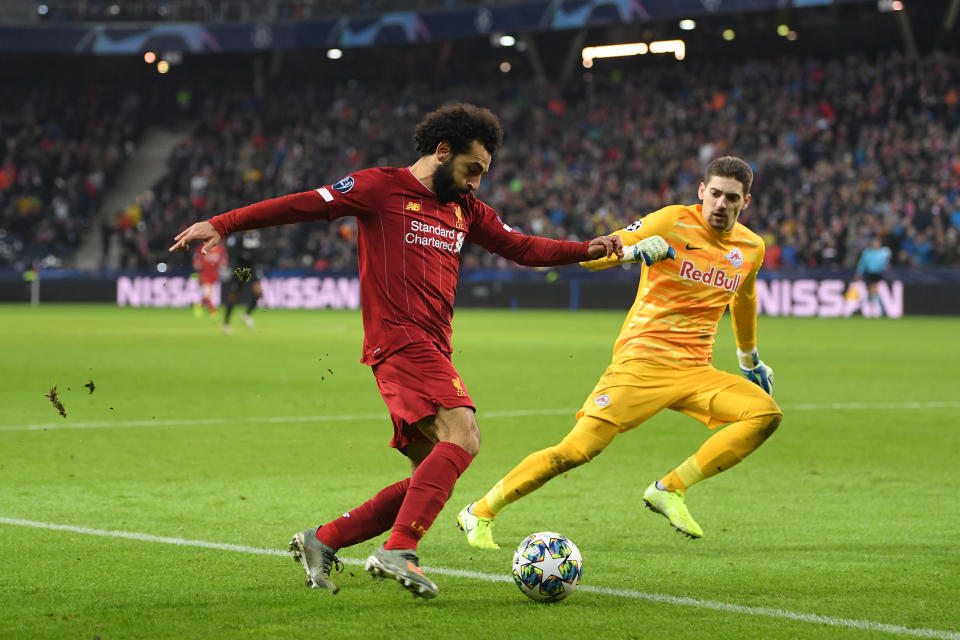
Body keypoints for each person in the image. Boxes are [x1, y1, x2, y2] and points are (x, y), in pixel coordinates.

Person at [168, 103, 644, 599]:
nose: (476, 183)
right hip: (400, 339)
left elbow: (521, 247)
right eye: (472, 169)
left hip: (432, 346)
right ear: (442, 152)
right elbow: (304, 204)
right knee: (464, 436)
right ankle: (400, 550)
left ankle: (323, 539)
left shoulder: (466, 210)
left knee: (430, 476)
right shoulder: (379, 187)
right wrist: (223, 224)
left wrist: (585, 249)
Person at [457, 156, 783, 548]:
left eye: (732, 198)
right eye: (714, 194)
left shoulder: (751, 247)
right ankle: (479, 512)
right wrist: (633, 253)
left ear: (745, 202)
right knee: (576, 451)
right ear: (701, 192)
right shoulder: (672, 221)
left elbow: (743, 299)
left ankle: (670, 489)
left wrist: (750, 359)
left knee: (765, 414)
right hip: (641, 363)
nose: (721, 204)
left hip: (696, 370)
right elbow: (595, 256)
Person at [221, 230, 265, 335]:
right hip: (241, 268)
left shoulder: (256, 235)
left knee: (259, 292)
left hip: (252, 267)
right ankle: (226, 322)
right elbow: (231, 250)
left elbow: (258, 251)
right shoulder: (238, 236)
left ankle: (246, 314)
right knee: (234, 295)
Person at [854, 235, 892, 317]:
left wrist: (886, 265)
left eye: (877, 242)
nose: (876, 243)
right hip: (870, 273)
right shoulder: (867, 252)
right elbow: (862, 263)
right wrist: (859, 272)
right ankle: (874, 309)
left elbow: (886, 262)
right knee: (872, 292)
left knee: (874, 291)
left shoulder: (884, 252)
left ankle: (877, 310)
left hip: (878, 274)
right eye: (875, 242)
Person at [192, 241, 227, 319]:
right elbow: (196, 262)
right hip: (204, 274)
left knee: (208, 295)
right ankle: (213, 312)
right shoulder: (200, 249)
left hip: (214, 274)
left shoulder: (220, 249)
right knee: (208, 293)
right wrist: (198, 264)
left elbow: (224, 261)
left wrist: (222, 263)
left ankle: (199, 304)